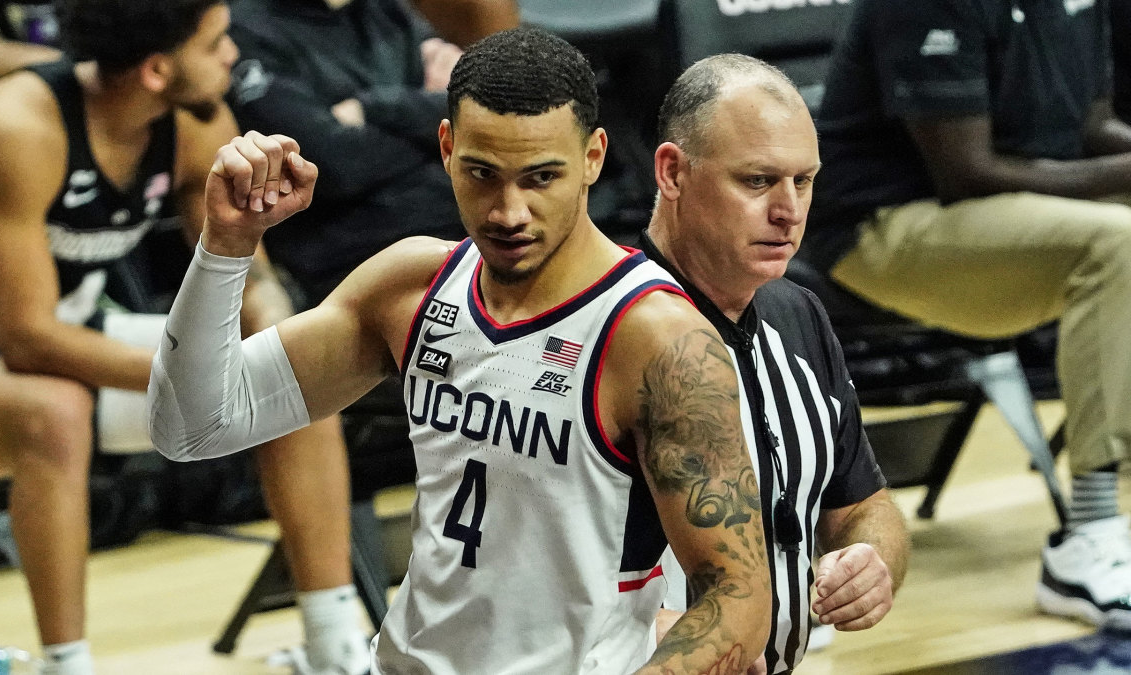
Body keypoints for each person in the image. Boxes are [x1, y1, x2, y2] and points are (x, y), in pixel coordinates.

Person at [150, 27, 773, 674]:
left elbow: (739, 592)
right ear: (446, 147)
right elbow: (193, 425)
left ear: (593, 157)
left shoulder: (657, 338)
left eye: (541, 178)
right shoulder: (410, 286)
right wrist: (225, 245)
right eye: (483, 174)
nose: (509, 211)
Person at [0, 1, 368, 673]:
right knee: (54, 412)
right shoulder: (18, 125)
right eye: (217, 42)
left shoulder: (196, 124)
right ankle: (66, 663)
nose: (234, 55)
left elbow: (251, 281)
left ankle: (336, 645)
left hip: (71, 337)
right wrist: (198, 375)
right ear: (159, 68)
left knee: (295, 376)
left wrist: (272, 327)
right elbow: (26, 339)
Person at [804, 0, 1131, 629]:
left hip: (1010, 212)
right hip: (883, 226)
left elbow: (1093, 129)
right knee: (1116, 241)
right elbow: (966, 171)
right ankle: (1088, 535)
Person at [640, 54, 910, 674]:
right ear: (672, 173)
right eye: (758, 181)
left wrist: (871, 561)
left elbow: (865, 506)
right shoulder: (603, 327)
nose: (788, 211)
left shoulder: (799, 314)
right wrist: (641, 626)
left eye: (804, 181)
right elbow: (519, 560)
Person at [226, 0, 475, 304]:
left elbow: (474, 105)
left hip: (460, 222)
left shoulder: (384, 9)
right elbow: (333, 166)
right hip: (356, 255)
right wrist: (436, 136)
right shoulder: (247, 31)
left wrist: (373, 108)